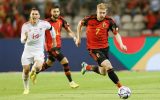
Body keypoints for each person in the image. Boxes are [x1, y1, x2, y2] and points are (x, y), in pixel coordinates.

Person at [76, 3, 127, 89]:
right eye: (100, 12)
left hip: (105, 48)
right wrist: (78, 38)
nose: (102, 15)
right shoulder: (89, 19)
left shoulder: (109, 21)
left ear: (106, 12)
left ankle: (87, 67)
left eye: (104, 13)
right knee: (108, 65)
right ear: (97, 11)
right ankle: (121, 88)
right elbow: (79, 24)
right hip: (93, 49)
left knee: (103, 72)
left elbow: (116, 34)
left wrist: (121, 44)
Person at [30, 5, 79, 88]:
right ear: (51, 12)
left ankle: (34, 72)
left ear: (59, 12)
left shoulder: (61, 20)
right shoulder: (45, 23)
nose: (56, 13)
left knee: (48, 64)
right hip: (51, 47)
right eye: (54, 11)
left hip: (58, 46)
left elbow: (68, 30)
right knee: (65, 62)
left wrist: (74, 38)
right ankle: (71, 82)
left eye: (57, 11)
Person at [21, 8, 56, 94]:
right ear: (30, 15)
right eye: (33, 14)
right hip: (28, 50)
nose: (34, 16)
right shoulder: (25, 26)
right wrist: (25, 38)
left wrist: (54, 41)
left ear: (39, 16)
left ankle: (33, 70)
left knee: (39, 66)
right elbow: (22, 40)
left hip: (38, 50)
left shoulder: (43, 24)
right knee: (25, 70)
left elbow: (52, 29)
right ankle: (26, 88)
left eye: (36, 14)